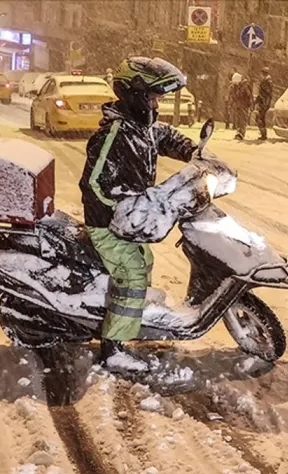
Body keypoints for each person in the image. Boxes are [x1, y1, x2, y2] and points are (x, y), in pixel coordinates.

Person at [78, 57, 198, 364]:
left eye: (158, 98)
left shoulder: (141, 127)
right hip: (108, 224)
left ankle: (127, 314)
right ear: (135, 95)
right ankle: (113, 346)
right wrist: (123, 206)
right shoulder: (114, 134)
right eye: (153, 97)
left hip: (129, 222)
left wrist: (194, 153)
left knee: (144, 259)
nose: (156, 104)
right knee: (131, 273)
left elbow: (165, 136)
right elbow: (94, 182)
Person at [229, 73, 253, 140]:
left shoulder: (245, 86)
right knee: (238, 120)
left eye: (236, 83)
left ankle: (241, 133)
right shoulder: (235, 87)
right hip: (238, 105)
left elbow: (248, 96)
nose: (235, 84)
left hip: (244, 106)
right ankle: (238, 132)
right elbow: (233, 96)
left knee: (242, 120)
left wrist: (250, 105)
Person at [254, 67, 273, 141]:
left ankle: (263, 134)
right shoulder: (266, 81)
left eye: (261, 73)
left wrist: (264, 102)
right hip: (263, 102)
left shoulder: (267, 82)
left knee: (259, 118)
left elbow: (267, 94)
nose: (260, 75)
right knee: (260, 118)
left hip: (264, 103)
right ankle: (263, 134)